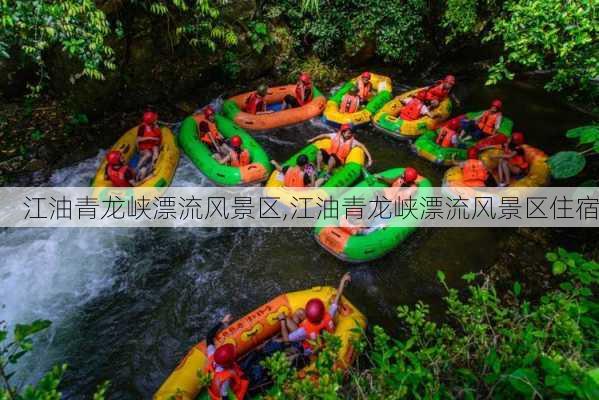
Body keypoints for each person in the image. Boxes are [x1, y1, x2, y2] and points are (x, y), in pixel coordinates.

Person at [280, 273, 352, 354]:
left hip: (311, 348)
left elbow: (286, 339)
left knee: (286, 319)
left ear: (309, 318)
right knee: (299, 312)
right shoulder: (329, 315)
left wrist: (282, 320)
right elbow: (337, 298)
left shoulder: (304, 330)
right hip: (325, 337)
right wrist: (342, 281)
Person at [206, 314, 250, 400]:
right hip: (232, 392)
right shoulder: (225, 379)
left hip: (217, 383)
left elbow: (209, 337)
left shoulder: (212, 355)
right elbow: (224, 396)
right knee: (253, 374)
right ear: (228, 363)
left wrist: (223, 322)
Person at [136, 111, 162, 175]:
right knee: (148, 154)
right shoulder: (142, 127)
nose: (156, 119)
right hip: (144, 147)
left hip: (153, 145)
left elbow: (159, 136)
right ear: (151, 121)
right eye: (154, 119)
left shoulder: (155, 126)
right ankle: (137, 168)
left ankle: (152, 167)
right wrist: (150, 138)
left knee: (155, 150)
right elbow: (138, 140)